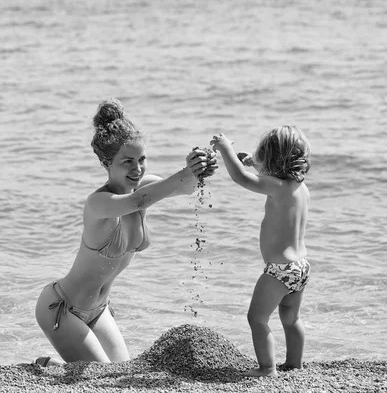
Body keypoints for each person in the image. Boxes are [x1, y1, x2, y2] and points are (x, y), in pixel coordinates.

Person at [34, 98, 217, 366]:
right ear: (107, 163)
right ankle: (47, 366)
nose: (138, 168)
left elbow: (184, 187)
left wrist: (201, 166)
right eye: (127, 161)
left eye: (142, 159)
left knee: (123, 371)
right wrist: (185, 173)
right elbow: (137, 201)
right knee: (104, 376)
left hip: (99, 310)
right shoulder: (99, 203)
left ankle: (53, 367)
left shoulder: (146, 187)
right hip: (62, 309)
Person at [210, 125, 311, 377]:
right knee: (291, 318)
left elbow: (241, 178)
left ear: (272, 160)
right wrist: (256, 165)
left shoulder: (275, 187)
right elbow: (265, 179)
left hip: (279, 270)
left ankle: (267, 369)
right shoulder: (299, 188)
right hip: (301, 267)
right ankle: (295, 364)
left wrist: (226, 150)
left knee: (257, 318)